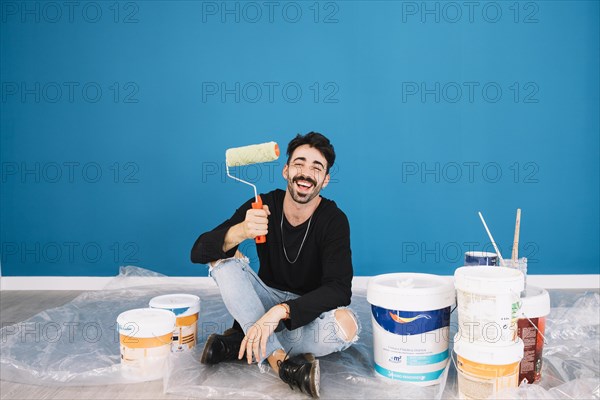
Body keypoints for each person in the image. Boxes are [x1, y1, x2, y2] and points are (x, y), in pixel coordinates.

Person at [190, 132, 360, 398]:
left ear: (325, 180)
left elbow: (339, 290)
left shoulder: (334, 220)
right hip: (262, 301)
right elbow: (199, 250)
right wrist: (241, 230)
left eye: (317, 168)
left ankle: (240, 342)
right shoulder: (263, 204)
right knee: (222, 257)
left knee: (346, 325)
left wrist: (278, 313)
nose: (306, 173)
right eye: (299, 164)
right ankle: (282, 363)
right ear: (286, 170)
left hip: (302, 314)